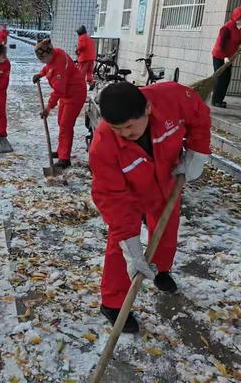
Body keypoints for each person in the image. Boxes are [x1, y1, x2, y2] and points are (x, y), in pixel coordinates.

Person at [89, 82, 211, 333]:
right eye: (116, 128)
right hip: (130, 193)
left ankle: (161, 270)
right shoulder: (103, 145)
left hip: (167, 178)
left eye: (129, 127)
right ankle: (112, 303)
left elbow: (199, 115)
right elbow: (111, 198)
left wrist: (197, 152)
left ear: (147, 109)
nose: (123, 134)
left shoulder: (173, 98)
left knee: (166, 229)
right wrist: (132, 249)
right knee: (120, 245)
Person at [32, 39, 87, 169]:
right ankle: (62, 150)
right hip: (66, 94)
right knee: (61, 122)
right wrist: (41, 74)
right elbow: (48, 67)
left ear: (49, 53)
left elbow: (58, 90)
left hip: (75, 94)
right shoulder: (54, 55)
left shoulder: (60, 63)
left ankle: (64, 158)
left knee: (65, 125)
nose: (42, 62)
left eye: (43, 59)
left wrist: (48, 107)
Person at [211, 7, 241, 108]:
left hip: (229, 57)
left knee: (227, 78)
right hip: (219, 56)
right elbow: (220, 44)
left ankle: (220, 99)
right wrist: (224, 57)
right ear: (236, 17)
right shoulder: (226, 28)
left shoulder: (239, 28)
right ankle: (215, 101)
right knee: (221, 78)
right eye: (240, 18)